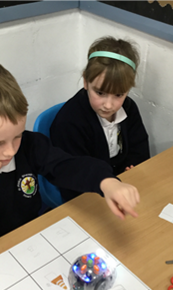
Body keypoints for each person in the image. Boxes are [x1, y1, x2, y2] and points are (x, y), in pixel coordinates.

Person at [0, 56, 140, 259]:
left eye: (17, 136)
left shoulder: (30, 146)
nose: (10, 151)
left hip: (32, 242)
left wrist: (106, 182)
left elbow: (68, 166)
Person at [50, 36, 150, 202]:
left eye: (119, 95)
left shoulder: (129, 108)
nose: (109, 105)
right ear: (86, 82)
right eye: (100, 93)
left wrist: (133, 170)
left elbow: (139, 149)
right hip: (87, 193)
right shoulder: (69, 122)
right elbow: (73, 173)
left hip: (122, 186)